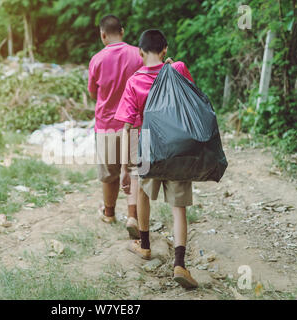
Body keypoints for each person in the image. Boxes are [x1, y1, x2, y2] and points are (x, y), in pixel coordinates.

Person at [114, 29, 198, 289]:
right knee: (178, 207)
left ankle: (145, 245)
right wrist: (174, 67)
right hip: (177, 146)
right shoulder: (178, 69)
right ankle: (180, 264)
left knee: (143, 194)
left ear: (139, 53)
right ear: (165, 49)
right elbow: (192, 98)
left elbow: (126, 127)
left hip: (147, 143)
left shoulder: (133, 81)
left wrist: (125, 168)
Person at [87, 15, 143, 239]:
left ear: (102, 35)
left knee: (109, 172)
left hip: (106, 124)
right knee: (134, 171)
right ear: (123, 31)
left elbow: (93, 92)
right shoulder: (138, 54)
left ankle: (109, 213)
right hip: (134, 123)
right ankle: (133, 216)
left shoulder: (97, 59)